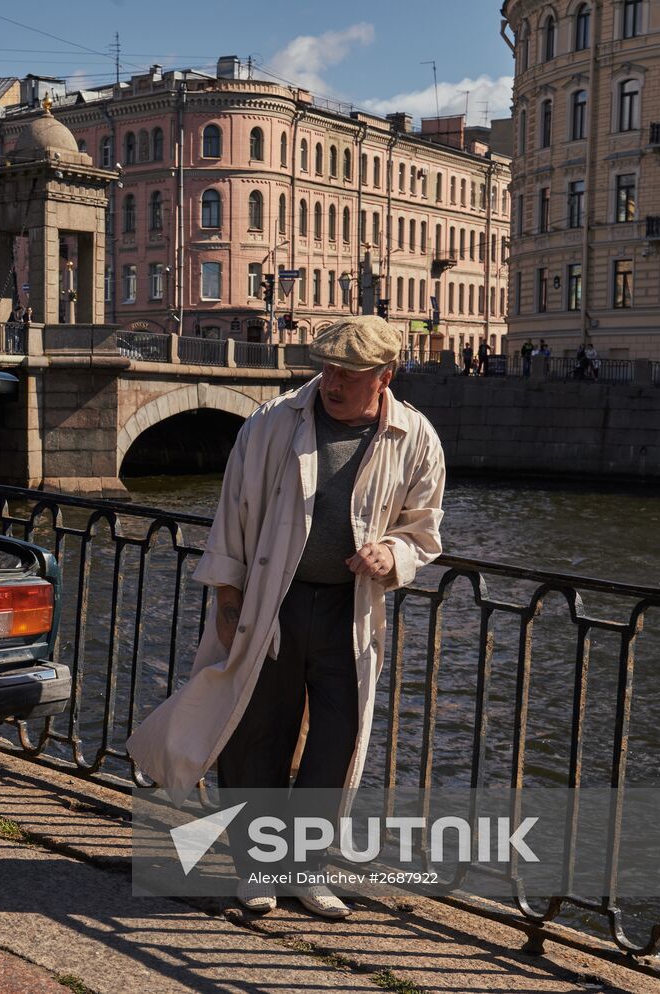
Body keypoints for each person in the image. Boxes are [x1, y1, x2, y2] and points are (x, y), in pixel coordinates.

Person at [127, 314, 445, 921]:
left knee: (336, 740)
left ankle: (305, 868)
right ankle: (257, 868)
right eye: (327, 368)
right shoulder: (274, 422)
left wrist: (393, 553)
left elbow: (423, 530)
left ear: (386, 375)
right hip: (273, 601)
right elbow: (232, 514)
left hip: (349, 610)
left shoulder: (416, 436)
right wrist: (227, 597)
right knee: (256, 737)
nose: (333, 382)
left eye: (350, 373)